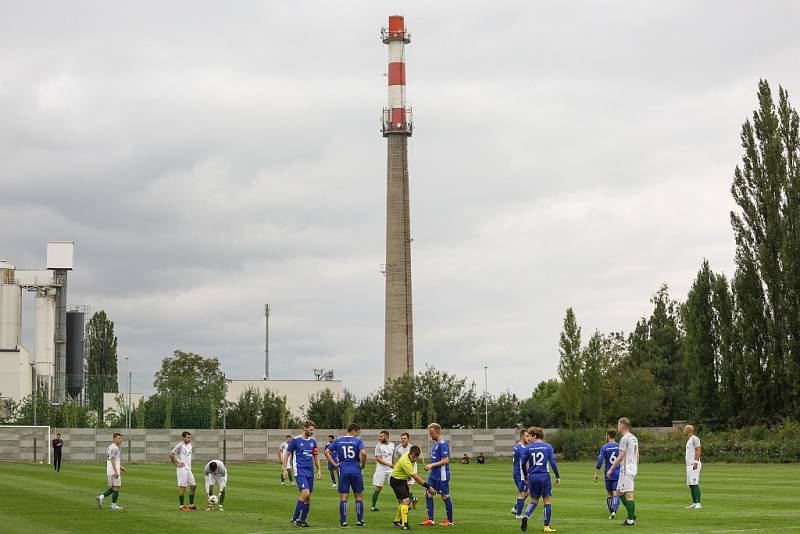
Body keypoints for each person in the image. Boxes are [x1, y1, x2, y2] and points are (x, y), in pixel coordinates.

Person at [326, 422, 368, 527]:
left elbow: (327, 452)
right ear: (354, 430)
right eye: (357, 432)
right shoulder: (358, 441)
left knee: (344, 496)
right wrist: (363, 464)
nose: (358, 434)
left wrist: (335, 464)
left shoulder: (338, 440)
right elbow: (363, 453)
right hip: (356, 470)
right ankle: (359, 520)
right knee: (358, 496)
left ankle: (344, 521)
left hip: (343, 470)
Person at [520, 427, 560, 533]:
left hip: (532, 476)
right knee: (547, 500)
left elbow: (523, 463)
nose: (529, 438)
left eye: (530, 436)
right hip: (544, 476)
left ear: (535, 436)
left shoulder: (528, 448)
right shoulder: (548, 447)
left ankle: (526, 516)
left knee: (534, 500)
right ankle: (546, 527)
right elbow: (552, 463)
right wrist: (557, 476)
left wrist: (525, 475)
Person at [390, 445, 437, 530]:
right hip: (396, 481)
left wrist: (407, 475)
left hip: (402, 480)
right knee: (406, 500)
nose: (415, 459)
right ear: (410, 454)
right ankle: (404, 524)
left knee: (406, 501)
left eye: (416, 458)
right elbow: (417, 479)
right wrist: (429, 487)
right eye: (413, 457)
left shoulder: (409, 456)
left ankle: (396, 521)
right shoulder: (406, 462)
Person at [287, 420, 322, 527]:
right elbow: (287, 454)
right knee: (305, 493)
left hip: (310, 471)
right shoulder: (296, 440)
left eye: (313, 430)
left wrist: (319, 470)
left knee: (308, 497)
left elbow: (316, 456)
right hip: (300, 471)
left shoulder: (313, 442)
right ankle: (294, 519)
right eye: (311, 430)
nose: (312, 432)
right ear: (305, 428)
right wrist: (284, 468)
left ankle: (303, 520)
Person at [607, 417, 638, 527]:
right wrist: (635, 466)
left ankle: (630, 520)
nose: (618, 427)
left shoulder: (624, 439)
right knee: (619, 492)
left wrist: (611, 469)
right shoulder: (634, 438)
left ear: (624, 425)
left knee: (629, 494)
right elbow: (637, 454)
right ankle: (631, 513)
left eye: (619, 425)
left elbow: (621, 456)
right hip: (631, 468)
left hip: (626, 470)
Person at [421, 422, 453, 527]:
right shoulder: (435, 444)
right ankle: (431, 520)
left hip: (442, 476)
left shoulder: (443, 444)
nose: (430, 435)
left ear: (438, 431)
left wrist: (431, 465)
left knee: (445, 496)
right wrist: (430, 467)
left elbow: (445, 460)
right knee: (428, 493)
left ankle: (450, 521)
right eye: (430, 433)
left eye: (432, 433)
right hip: (433, 475)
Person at [594, 429, 621, 519]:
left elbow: (600, 461)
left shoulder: (604, 447)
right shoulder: (619, 446)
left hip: (608, 473)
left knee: (609, 494)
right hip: (617, 472)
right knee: (616, 493)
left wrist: (596, 473)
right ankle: (614, 511)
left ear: (608, 436)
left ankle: (612, 512)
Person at [96, 432, 125, 510]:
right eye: (118, 438)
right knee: (117, 487)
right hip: (113, 470)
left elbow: (111, 459)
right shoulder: (115, 448)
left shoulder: (111, 447)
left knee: (113, 487)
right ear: (114, 439)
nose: (120, 440)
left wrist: (120, 467)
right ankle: (113, 505)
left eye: (121, 438)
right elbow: (112, 460)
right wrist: (116, 471)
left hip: (109, 470)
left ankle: (101, 497)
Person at [170, 431, 197, 511]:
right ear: (183, 437)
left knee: (193, 486)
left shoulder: (190, 446)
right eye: (188, 437)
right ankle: (181, 506)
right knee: (183, 487)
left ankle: (191, 505)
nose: (189, 439)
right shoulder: (180, 445)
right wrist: (176, 463)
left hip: (189, 469)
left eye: (190, 437)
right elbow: (171, 454)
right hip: (182, 469)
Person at [393, 432, 421, 509]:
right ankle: (411, 500)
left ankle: (406, 505)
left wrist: (409, 473)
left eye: (404, 438)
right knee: (403, 489)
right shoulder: (398, 448)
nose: (403, 440)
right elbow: (396, 460)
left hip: (411, 469)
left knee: (409, 487)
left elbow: (414, 459)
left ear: (408, 439)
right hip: (402, 470)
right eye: (402, 438)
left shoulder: (411, 448)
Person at [371, 430, 395, 511]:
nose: (380, 438)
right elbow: (378, 459)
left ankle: (402, 505)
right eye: (380, 436)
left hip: (391, 470)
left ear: (387, 437)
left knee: (396, 487)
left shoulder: (392, 445)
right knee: (378, 488)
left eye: (381, 436)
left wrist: (394, 465)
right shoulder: (378, 446)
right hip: (381, 470)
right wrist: (389, 465)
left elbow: (393, 457)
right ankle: (373, 507)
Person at [512, 429, 531, 519]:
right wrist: (527, 475)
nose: (529, 438)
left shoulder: (517, 446)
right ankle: (518, 514)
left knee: (528, 491)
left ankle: (516, 507)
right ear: (521, 437)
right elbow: (525, 463)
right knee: (523, 493)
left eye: (529, 436)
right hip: (521, 474)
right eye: (527, 436)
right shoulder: (523, 449)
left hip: (516, 472)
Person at [684, 424, 703, 509]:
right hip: (689, 465)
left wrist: (695, 461)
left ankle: (698, 503)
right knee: (691, 484)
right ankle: (694, 502)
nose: (684, 431)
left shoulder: (695, 438)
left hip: (694, 464)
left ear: (688, 430)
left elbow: (698, 450)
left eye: (685, 429)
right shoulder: (689, 440)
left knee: (694, 483)